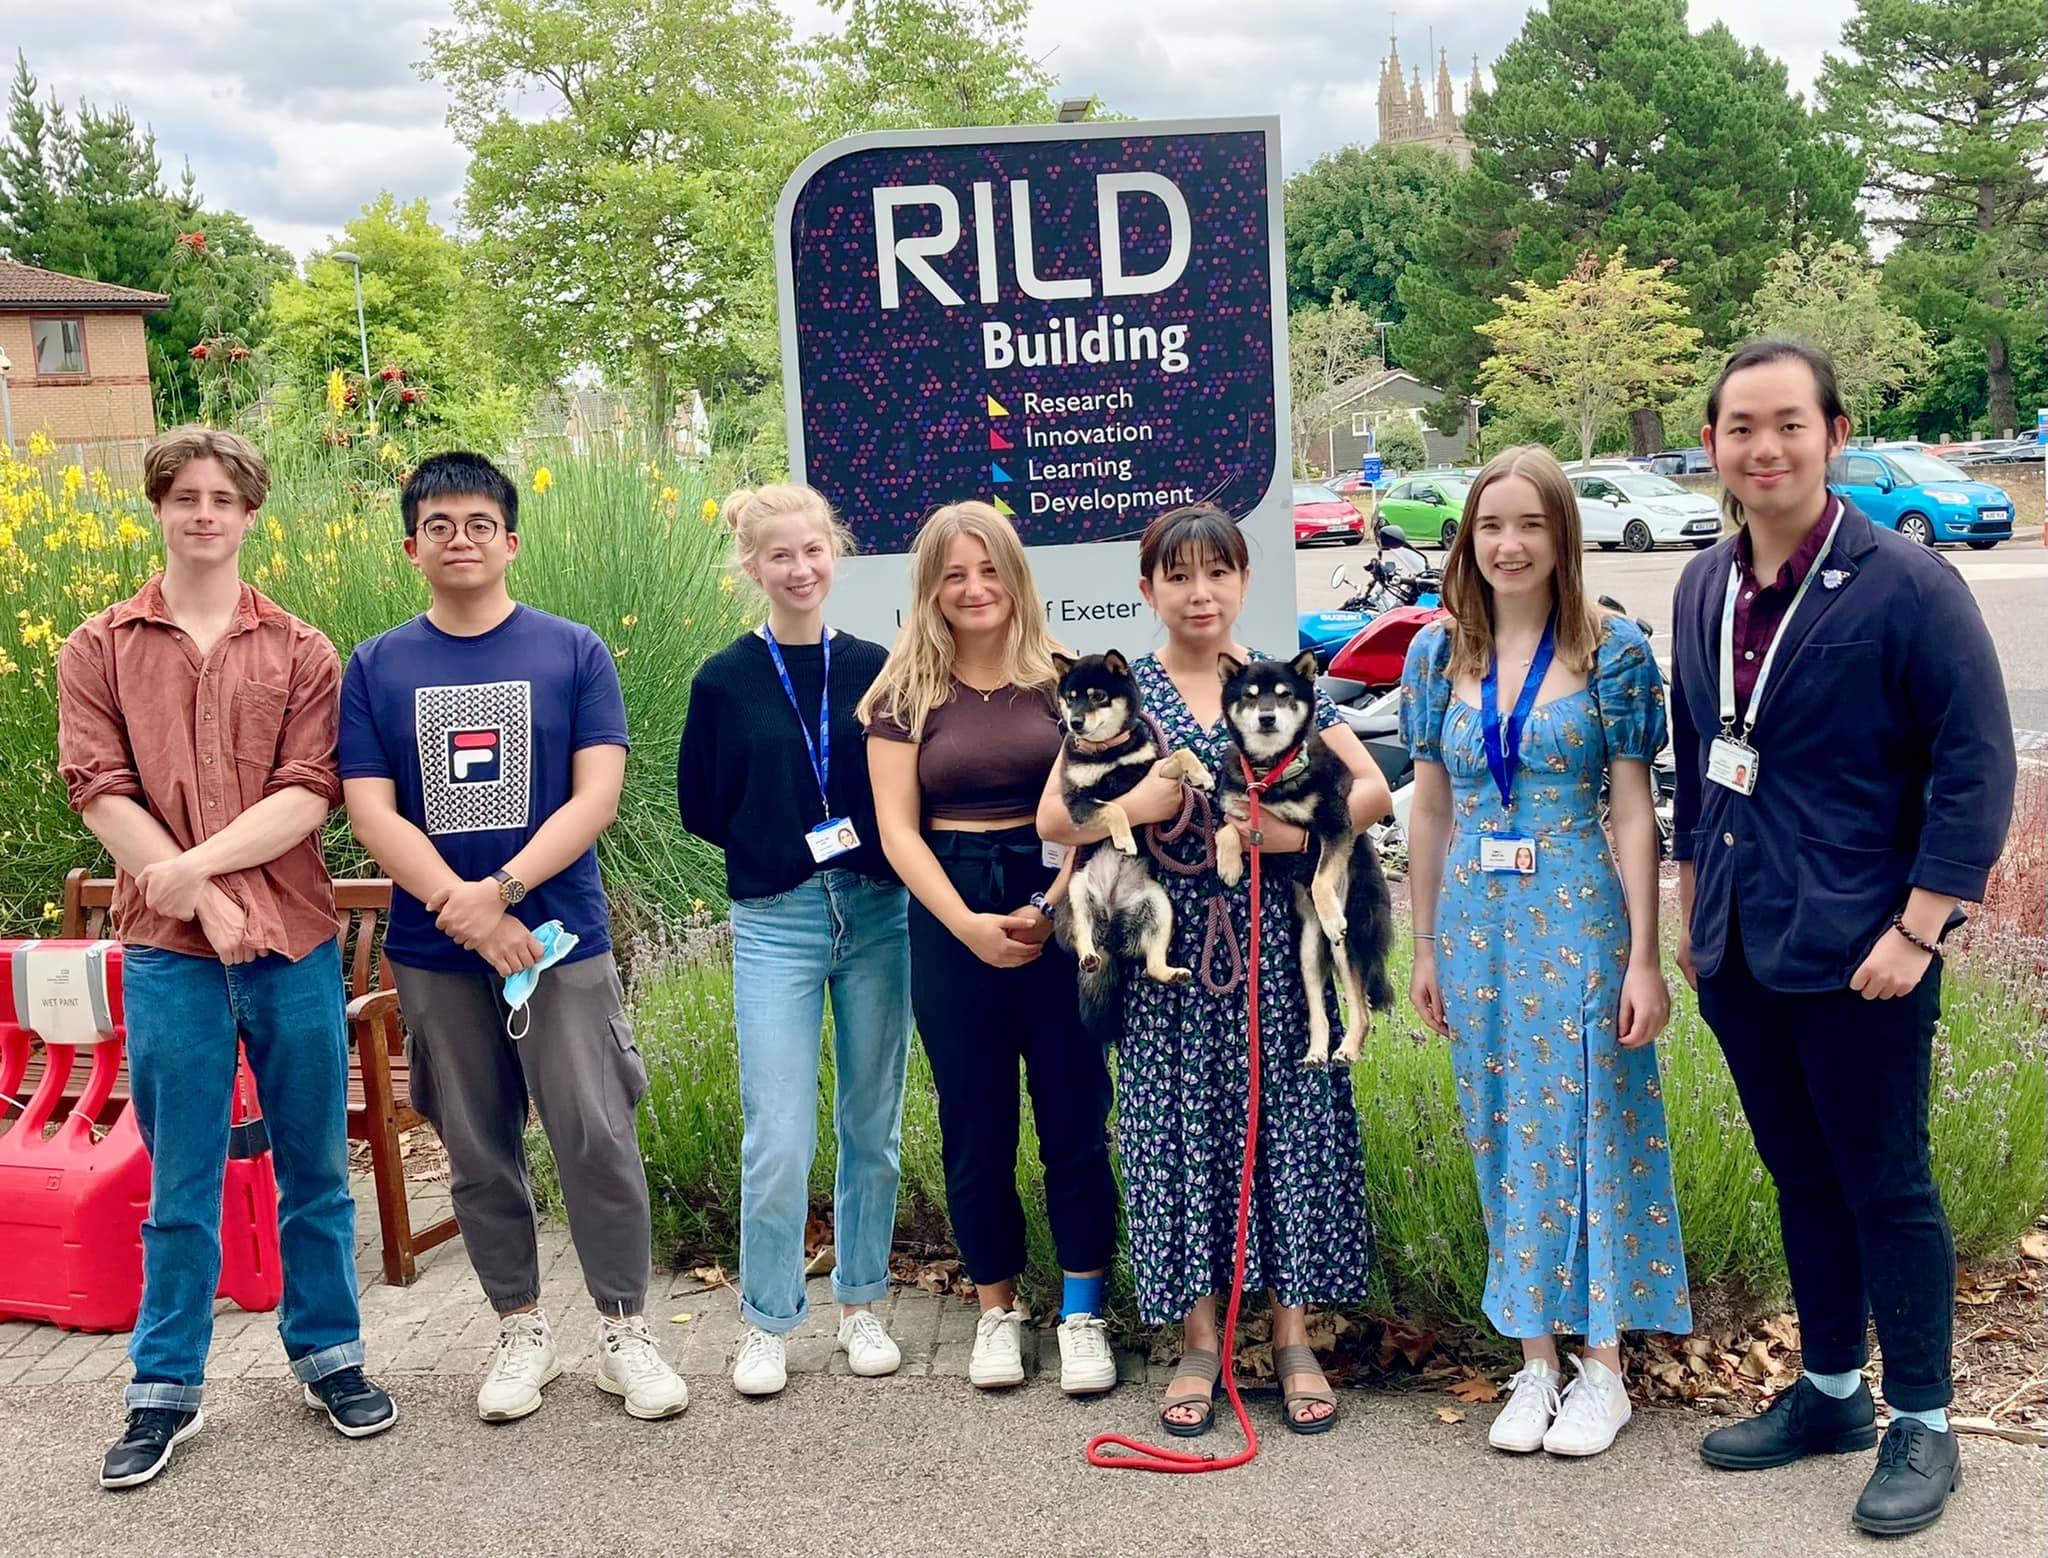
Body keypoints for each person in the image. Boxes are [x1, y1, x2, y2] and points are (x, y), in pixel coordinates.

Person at [1674, 340, 2015, 1534]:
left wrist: (1919, 927)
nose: (1761, 449)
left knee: (1886, 1182)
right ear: (1710, 443)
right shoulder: (1702, 587)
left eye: (1785, 425)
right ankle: (1830, 1392)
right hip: (1739, 942)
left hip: (1864, 948)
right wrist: (1687, 902)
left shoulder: (1904, 585)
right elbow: (1696, 761)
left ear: (1830, 432)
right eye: (1738, 427)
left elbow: (1974, 763)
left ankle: (1922, 1418)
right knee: (1800, 1174)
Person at [57, 427, 396, 1489]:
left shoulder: (302, 648)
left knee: (312, 1166)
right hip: (168, 954)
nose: (204, 513)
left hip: (291, 940)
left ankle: (329, 1355)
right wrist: (195, 899)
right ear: (158, 507)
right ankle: (163, 1389)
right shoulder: (97, 646)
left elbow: (309, 791)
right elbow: (98, 788)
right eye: (184, 496)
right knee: (182, 1178)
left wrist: (197, 871)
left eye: (223, 497)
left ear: (252, 514)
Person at [340, 452, 688, 1424]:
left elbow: (598, 794)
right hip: (435, 950)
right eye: (439, 524)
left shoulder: (572, 651)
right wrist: (461, 906)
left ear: (510, 540)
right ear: (412, 546)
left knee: (594, 1136)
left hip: (560, 942)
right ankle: (518, 1329)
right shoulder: (376, 664)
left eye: (478, 522)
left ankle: (626, 1330)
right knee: (477, 1147)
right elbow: (370, 808)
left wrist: (500, 893)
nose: (460, 539)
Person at [1037, 503, 1390, 1437]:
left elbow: (1376, 788)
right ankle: (1200, 1342)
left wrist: (1283, 833)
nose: (1201, 593)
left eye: (1219, 573)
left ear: (1243, 582)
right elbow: (1054, 820)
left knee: (1289, 1128)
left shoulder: (1274, 683)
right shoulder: (1127, 694)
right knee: (1178, 1135)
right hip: (1168, 960)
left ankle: (1292, 1335)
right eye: (1179, 576)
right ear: (1148, 589)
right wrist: (1147, 798)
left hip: (1278, 955)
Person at [1400, 446, 1685, 1460]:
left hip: (1576, 911)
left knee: (1589, 1119)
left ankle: (1601, 1364)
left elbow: (1633, 806)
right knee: (1498, 1126)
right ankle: (1533, 1358)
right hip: (1475, 921)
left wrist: (1645, 954)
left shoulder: (1610, 651)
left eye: (1528, 524)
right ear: (1466, 538)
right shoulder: (1434, 655)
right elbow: (1428, 804)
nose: (1508, 545)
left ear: (1561, 534)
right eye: (1489, 526)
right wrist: (1424, 943)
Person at [860, 501, 1118, 1397]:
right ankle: (995, 1312)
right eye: (954, 574)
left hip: (1063, 905)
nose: (974, 589)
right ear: (930, 587)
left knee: (1076, 1121)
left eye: (989, 569)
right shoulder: (901, 697)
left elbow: (1092, 810)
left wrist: (1048, 907)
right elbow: (897, 833)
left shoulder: (1064, 680)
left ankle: (1083, 1312)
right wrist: (967, 925)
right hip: (947, 909)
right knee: (976, 1127)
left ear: (1017, 577)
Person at [678, 484, 912, 1397]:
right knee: (778, 1132)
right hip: (778, 916)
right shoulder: (725, 679)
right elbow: (702, 805)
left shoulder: (880, 668)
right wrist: (780, 841)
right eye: (780, 556)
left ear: (834, 552)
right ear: (753, 567)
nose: (800, 569)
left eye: (813, 550)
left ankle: (860, 1305)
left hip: (876, 913)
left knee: (872, 1124)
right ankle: (769, 1319)